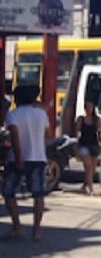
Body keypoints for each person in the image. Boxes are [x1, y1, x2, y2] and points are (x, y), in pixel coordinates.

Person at [2, 84, 51, 242]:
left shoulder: (13, 115)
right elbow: (48, 135)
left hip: (18, 158)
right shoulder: (42, 114)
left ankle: (17, 226)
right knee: (38, 195)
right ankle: (37, 232)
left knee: (8, 192)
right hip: (38, 157)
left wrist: (18, 158)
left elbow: (15, 137)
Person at [75, 99, 101, 195]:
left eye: (90, 107)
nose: (89, 109)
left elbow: (100, 132)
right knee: (89, 166)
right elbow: (77, 133)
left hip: (94, 144)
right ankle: (90, 189)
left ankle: (85, 185)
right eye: (87, 107)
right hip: (84, 144)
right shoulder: (81, 119)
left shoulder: (97, 120)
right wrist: (76, 146)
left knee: (92, 169)